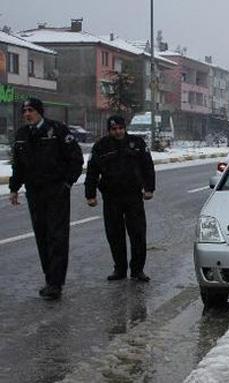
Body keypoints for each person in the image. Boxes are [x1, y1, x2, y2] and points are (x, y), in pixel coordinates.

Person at [9, 97, 84, 300]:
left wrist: (67, 183)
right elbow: (18, 165)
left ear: (39, 112)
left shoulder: (57, 130)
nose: (27, 114)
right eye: (24, 111)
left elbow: (76, 159)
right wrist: (14, 188)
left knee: (57, 237)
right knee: (42, 236)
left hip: (56, 192)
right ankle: (49, 278)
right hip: (35, 193)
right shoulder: (23, 135)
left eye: (31, 110)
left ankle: (55, 283)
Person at [85, 115, 155, 282]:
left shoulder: (137, 143)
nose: (118, 132)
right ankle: (120, 269)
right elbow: (92, 171)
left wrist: (149, 188)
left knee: (138, 233)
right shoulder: (101, 146)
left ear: (125, 128)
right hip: (111, 197)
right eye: (114, 129)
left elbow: (147, 166)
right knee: (114, 235)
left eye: (120, 128)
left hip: (133, 196)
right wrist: (90, 194)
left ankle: (138, 270)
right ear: (109, 130)